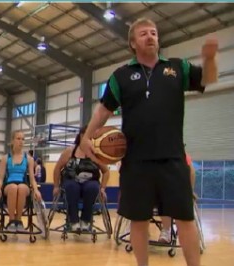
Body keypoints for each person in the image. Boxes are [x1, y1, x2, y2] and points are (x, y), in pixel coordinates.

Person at [79, 18, 218, 266]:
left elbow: (207, 80)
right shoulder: (120, 76)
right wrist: (87, 137)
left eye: (153, 33)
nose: (151, 36)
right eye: (143, 34)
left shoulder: (177, 67)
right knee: (138, 220)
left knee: (185, 219)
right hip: (136, 161)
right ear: (133, 43)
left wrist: (209, 59)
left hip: (173, 158)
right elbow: (103, 111)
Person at [53, 126, 110, 231]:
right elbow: (57, 169)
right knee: (72, 187)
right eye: (86, 135)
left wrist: (103, 188)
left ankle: (85, 220)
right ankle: (73, 220)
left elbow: (106, 171)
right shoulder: (70, 151)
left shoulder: (97, 153)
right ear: (80, 136)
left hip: (90, 182)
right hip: (71, 181)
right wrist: (56, 186)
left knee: (92, 188)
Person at [0, 130, 42, 232]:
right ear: (13, 141)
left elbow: (32, 179)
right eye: (18, 139)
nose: (21, 141)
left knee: (22, 188)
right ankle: (11, 220)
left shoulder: (29, 159)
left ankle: (18, 220)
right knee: (14, 187)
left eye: (23, 139)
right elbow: (1, 178)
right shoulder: (5, 158)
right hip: (9, 185)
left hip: (23, 184)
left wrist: (36, 190)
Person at [158, 152, 197, 243]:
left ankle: (167, 230)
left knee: (166, 197)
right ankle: (142, 231)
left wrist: (190, 191)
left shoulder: (180, 153)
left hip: (176, 190)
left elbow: (191, 172)